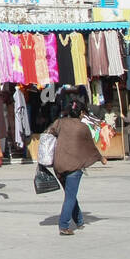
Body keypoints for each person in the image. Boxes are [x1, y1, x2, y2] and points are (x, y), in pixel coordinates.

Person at [46, 97, 104, 235]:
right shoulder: (82, 127)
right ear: (81, 113)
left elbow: (49, 133)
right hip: (74, 166)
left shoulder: (59, 123)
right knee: (70, 196)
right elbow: (90, 147)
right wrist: (101, 158)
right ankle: (64, 225)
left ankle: (79, 220)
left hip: (58, 165)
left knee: (70, 193)